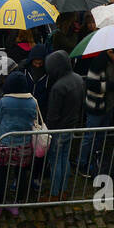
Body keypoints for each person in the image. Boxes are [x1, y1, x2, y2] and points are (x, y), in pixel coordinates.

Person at [0, 71, 39, 215]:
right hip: (24, 144)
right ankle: (17, 203)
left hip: (5, 142)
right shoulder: (32, 101)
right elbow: (34, 119)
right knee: (21, 174)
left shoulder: (4, 101)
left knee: (2, 174)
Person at [43, 49, 84, 198]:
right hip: (70, 126)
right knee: (64, 159)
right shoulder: (78, 79)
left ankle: (54, 193)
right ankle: (64, 190)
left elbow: (53, 115)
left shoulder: (58, 87)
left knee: (55, 161)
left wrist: (47, 132)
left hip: (58, 130)